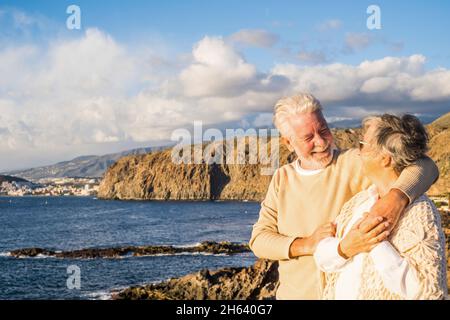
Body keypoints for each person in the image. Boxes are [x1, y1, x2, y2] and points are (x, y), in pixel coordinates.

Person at [249, 93, 439, 300]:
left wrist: (396, 198)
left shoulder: (357, 161)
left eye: (323, 130)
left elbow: (426, 166)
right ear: (288, 142)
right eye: (308, 138)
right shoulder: (281, 178)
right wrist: (307, 244)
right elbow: (259, 240)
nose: (321, 142)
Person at [314, 114, 447, 299]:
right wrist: (345, 247)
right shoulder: (359, 202)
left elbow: (426, 290)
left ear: (385, 158)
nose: (357, 152)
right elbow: (321, 257)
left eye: (362, 144)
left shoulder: (420, 212)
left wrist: (375, 241)